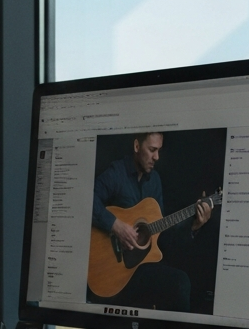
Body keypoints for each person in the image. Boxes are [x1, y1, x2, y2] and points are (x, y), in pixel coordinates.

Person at [89, 131, 212, 311]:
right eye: (152, 150)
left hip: (139, 268)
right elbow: (87, 199)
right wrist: (116, 225)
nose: (157, 157)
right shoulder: (117, 172)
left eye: (159, 151)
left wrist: (194, 226)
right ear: (137, 146)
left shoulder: (154, 181)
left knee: (179, 281)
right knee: (179, 282)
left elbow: (163, 237)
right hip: (111, 272)